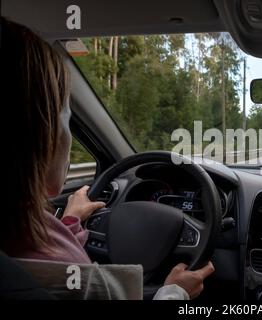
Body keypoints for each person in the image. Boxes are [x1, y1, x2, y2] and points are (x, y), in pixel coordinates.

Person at [0, 17, 214, 300]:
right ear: (39, 136)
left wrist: (70, 221)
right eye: (68, 117)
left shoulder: (23, 229)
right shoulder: (54, 282)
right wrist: (174, 292)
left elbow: (46, 249)